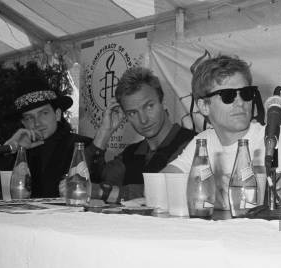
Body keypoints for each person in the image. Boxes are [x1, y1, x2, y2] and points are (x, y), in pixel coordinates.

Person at [164, 54, 281, 210]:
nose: (240, 103)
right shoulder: (204, 140)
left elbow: (279, 206)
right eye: (227, 96)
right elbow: (163, 181)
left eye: (246, 93)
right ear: (204, 106)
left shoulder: (274, 138)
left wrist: (208, 191)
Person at [80, 67, 195, 203]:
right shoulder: (131, 153)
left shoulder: (193, 143)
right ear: (125, 116)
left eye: (149, 106)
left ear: (163, 102)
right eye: (133, 113)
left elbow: (165, 190)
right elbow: (87, 180)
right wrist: (104, 133)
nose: (143, 120)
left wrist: (101, 192)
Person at [3, 79, 91, 198]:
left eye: (44, 113)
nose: (37, 123)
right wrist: (11, 149)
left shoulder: (82, 146)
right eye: (29, 118)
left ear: (58, 114)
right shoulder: (19, 152)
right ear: (23, 123)